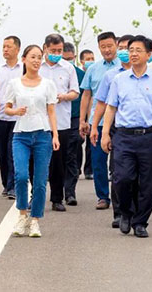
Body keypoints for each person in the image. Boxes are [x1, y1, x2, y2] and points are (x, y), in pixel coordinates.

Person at [101, 35, 152, 238]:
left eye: (138, 50)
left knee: (147, 183)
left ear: (149, 54)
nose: (133, 54)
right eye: (131, 50)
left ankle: (140, 222)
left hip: (149, 136)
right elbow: (111, 107)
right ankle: (125, 212)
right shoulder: (119, 79)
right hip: (124, 136)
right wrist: (105, 133)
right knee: (122, 178)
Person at [5, 45, 60, 238]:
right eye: (33, 57)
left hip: (42, 135)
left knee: (40, 181)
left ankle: (35, 220)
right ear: (24, 59)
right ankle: (22, 215)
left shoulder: (48, 84)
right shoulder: (14, 83)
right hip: (21, 135)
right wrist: (15, 111)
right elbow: (7, 108)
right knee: (21, 176)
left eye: (39, 57)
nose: (36, 61)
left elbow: (51, 111)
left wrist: (55, 135)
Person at [90, 35, 134, 228]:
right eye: (122, 48)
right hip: (118, 127)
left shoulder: (150, 75)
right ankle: (120, 213)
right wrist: (95, 126)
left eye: (128, 48)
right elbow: (101, 103)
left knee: (137, 175)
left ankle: (136, 213)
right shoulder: (111, 76)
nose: (125, 52)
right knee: (119, 172)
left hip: (141, 130)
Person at [79, 32, 121, 210]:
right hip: (98, 121)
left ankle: (119, 196)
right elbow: (86, 95)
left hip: (120, 123)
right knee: (97, 161)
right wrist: (83, 120)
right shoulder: (93, 69)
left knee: (119, 162)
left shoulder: (124, 67)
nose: (107, 50)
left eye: (110, 46)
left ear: (116, 45)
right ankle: (103, 196)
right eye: (103, 47)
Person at [40, 34, 80, 212]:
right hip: (39, 121)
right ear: (45, 48)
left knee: (58, 162)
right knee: (38, 160)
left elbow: (75, 92)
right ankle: (35, 195)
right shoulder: (37, 66)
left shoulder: (68, 68)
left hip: (61, 121)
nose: (56, 54)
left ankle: (57, 198)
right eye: (53, 50)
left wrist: (64, 96)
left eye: (59, 50)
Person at [0, 36, 23, 200]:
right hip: (0, 117)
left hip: (17, 118)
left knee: (13, 154)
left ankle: (13, 186)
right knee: (2, 154)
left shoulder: (23, 69)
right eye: (3, 46)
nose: (5, 49)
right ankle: (6, 183)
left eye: (9, 47)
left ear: (17, 49)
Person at [63, 42, 85, 204]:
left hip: (75, 118)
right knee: (57, 157)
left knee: (71, 155)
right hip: (56, 120)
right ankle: (57, 191)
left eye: (70, 59)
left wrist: (84, 120)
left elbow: (86, 97)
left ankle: (70, 192)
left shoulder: (80, 75)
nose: (67, 62)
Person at [77, 49, 95, 180]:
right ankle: (76, 168)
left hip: (93, 112)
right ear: (81, 61)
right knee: (78, 142)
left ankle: (89, 169)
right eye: (88, 59)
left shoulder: (94, 73)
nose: (91, 61)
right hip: (81, 112)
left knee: (91, 143)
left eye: (92, 58)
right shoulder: (79, 74)